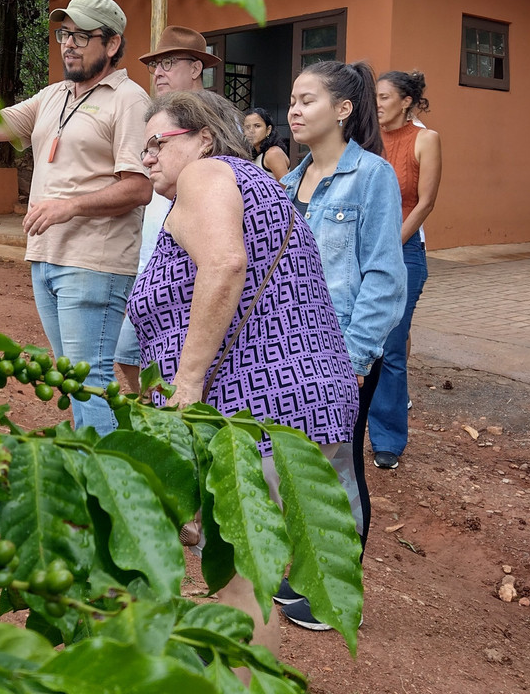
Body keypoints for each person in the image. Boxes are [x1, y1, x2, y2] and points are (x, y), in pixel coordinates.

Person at [127, 89, 359, 667]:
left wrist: (186, 383)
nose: (147, 156)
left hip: (255, 414)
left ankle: (246, 682)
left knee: (240, 581)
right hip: (302, 404)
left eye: (159, 142)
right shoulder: (254, 186)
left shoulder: (207, 174)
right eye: (143, 146)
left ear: (204, 136)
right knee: (253, 576)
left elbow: (226, 264)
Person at [0, 0, 151, 436]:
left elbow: (140, 185)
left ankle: (110, 491)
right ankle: (97, 476)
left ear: (111, 45)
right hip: (46, 257)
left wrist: (69, 206)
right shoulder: (52, 95)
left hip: (95, 261)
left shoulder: (129, 99)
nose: (68, 45)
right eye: (64, 34)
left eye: (82, 36)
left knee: (89, 378)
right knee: (75, 379)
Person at [277, 60, 407, 630]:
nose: (294, 110)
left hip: (342, 350)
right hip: (287, 348)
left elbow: (384, 276)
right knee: (291, 463)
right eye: (292, 100)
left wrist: (353, 358)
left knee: (334, 467)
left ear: (344, 109)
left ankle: (333, 592)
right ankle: (305, 568)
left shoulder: (372, 176)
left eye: (307, 100)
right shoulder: (285, 182)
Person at [114, 26, 222, 395]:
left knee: (188, 361)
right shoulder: (157, 117)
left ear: (196, 68)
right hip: (152, 256)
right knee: (128, 352)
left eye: (168, 63)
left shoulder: (219, 121)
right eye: (155, 65)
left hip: (193, 262)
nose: (158, 72)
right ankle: (158, 413)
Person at [367, 71, 442, 469]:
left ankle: (388, 439)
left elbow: (425, 201)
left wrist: (389, 245)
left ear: (407, 101)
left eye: (384, 97)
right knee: (358, 342)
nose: (377, 103)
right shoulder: (370, 140)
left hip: (404, 249)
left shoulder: (425, 140)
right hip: (365, 247)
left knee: (392, 348)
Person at [243, 107, 290, 181]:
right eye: (247, 127)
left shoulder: (273, 153)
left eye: (257, 126)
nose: (251, 131)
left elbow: (287, 188)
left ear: (268, 130)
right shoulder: (253, 155)